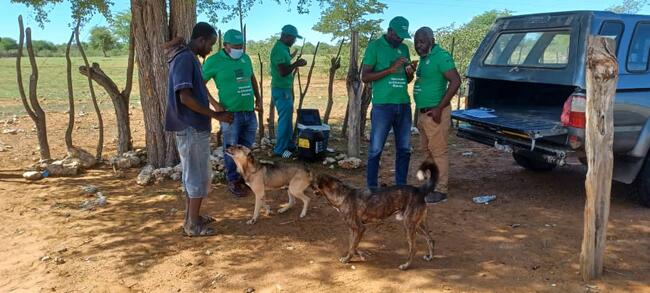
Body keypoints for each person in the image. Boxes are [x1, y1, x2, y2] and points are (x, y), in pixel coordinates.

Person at [165, 22, 233, 236]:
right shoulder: (185, 58)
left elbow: (196, 88)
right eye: (210, 44)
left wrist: (213, 106)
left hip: (192, 126)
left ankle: (191, 217)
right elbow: (185, 97)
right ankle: (193, 225)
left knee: (196, 175)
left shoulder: (188, 57)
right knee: (197, 177)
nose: (211, 49)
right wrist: (216, 115)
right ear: (201, 40)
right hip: (191, 126)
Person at [203, 29, 262, 197]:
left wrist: (258, 98)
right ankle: (233, 179)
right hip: (230, 114)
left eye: (241, 45)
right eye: (235, 46)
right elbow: (200, 83)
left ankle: (245, 176)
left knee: (246, 147)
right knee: (231, 148)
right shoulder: (214, 61)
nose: (239, 49)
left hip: (249, 112)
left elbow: (252, 78)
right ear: (225, 45)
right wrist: (215, 104)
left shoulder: (245, 58)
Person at [361, 16, 415, 189]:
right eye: (397, 35)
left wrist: (409, 71)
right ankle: (372, 188)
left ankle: (401, 187)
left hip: (404, 105)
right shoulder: (374, 47)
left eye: (402, 36)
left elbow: (407, 80)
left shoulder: (404, 49)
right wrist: (390, 69)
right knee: (376, 149)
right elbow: (365, 76)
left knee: (404, 149)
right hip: (383, 106)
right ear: (389, 31)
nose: (400, 39)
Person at [413, 27, 461, 204]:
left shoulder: (441, 56)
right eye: (417, 42)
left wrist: (440, 108)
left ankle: (440, 190)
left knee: (438, 151)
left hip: (435, 113)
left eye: (422, 41)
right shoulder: (424, 59)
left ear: (432, 40)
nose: (419, 45)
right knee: (427, 150)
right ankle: (430, 183)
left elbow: (456, 81)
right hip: (424, 113)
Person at [269, 24, 307, 158]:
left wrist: (292, 57)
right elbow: (283, 71)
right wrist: (297, 64)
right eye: (293, 38)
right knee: (284, 121)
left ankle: (289, 145)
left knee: (287, 118)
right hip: (281, 90)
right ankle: (280, 150)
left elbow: (284, 62)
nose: (294, 41)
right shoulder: (279, 49)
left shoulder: (283, 48)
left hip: (284, 89)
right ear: (286, 36)